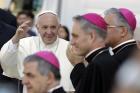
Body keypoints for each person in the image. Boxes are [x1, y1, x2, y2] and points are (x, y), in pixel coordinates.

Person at [0, 11, 74, 92]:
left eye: (53, 27)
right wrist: (16, 39)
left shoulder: (70, 47)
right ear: (37, 27)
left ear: (59, 27)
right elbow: (6, 63)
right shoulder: (25, 43)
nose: (49, 32)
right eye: (45, 27)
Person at [70, 13, 118, 93]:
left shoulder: (96, 66)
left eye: (75, 36)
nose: (72, 42)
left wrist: (78, 65)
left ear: (91, 36)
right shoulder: (108, 59)